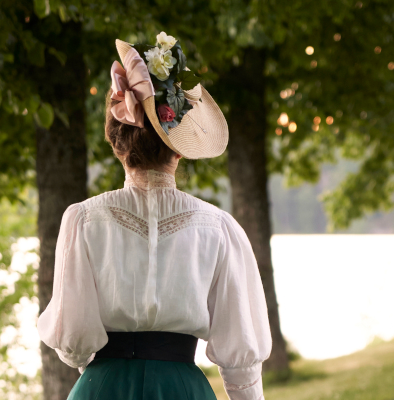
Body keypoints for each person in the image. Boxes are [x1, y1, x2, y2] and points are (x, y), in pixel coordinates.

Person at [37, 32, 272, 400]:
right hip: (181, 390)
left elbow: (75, 345)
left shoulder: (83, 220)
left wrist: (108, 369)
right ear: (178, 149)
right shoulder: (219, 228)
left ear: (117, 143)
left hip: (102, 389)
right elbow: (241, 362)